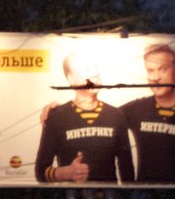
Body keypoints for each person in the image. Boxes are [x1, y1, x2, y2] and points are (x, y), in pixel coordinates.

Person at [34, 49, 132, 184]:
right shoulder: (57, 117)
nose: (93, 75)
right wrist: (66, 173)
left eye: (95, 69)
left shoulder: (116, 116)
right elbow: (40, 172)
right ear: (71, 79)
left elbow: (127, 171)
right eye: (86, 70)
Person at [119, 41, 175, 184]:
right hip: (143, 196)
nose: (156, 77)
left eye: (163, 69)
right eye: (150, 71)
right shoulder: (137, 109)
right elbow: (105, 116)